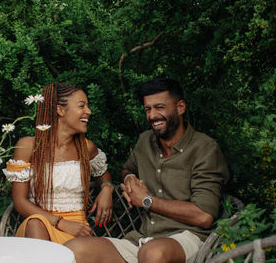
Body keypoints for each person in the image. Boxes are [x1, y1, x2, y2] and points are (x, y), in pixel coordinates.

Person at [65, 78, 229, 263]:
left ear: (180, 107)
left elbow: (203, 216)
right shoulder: (145, 141)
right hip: (141, 239)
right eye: (148, 109)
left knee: (153, 253)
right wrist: (129, 180)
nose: (152, 116)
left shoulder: (204, 149)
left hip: (186, 239)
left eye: (160, 107)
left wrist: (146, 200)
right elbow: (127, 169)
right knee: (74, 249)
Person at [3, 82, 114, 245]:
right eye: (82, 106)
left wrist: (106, 188)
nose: (88, 112)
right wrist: (61, 223)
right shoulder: (28, 146)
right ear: (60, 110)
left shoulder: (86, 148)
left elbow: (103, 174)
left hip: (78, 228)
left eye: (87, 106)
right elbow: (20, 201)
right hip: (41, 225)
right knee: (35, 223)